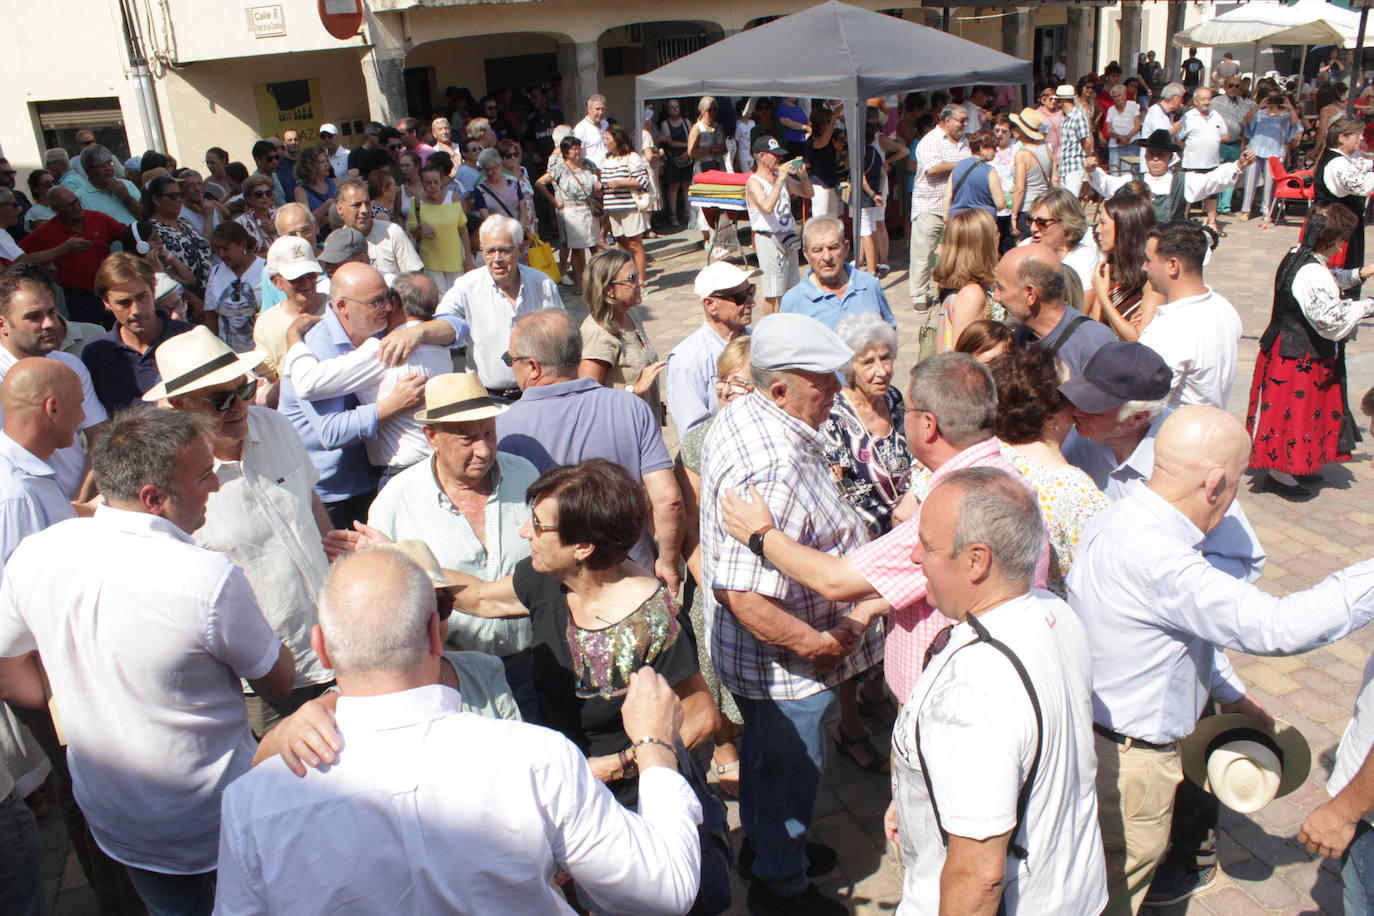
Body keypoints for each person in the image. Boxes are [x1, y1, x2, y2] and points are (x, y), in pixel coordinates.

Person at [213, 549, 703, 916]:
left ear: (320, 648)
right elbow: (665, 889)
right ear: (434, 634)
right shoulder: (536, 757)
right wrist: (655, 747)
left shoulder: (249, 804)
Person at [1066, 404, 1374, 913]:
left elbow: (1179, 630)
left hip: (1098, 734)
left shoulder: (1120, 510)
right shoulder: (1165, 561)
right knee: (1112, 896)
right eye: (1232, 489)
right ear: (1214, 484)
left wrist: (1228, 691)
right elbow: (1279, 628)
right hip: (1132, 762)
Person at [0, 407, 294, 914]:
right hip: (214, 819)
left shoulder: (35, 553)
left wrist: (85, 703)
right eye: (204, 476)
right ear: (153, 498)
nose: (216, 489)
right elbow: (280, 685)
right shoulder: (207, 579)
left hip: (115, 817)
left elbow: (9, 672)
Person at [699, 312, 884, 915]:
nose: (837, 388)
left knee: (767, 766)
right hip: (784, 671)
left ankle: (771, 851)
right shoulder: (772, 463)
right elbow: (743, 593)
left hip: (762, 665)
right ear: (778, 389)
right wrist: (815, 646)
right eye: (822, 382)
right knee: (788, 773)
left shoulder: (752, 411)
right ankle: (781, 884)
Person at [430, 458, 715, 811]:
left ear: (582, 547)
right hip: (566, 784)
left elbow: (702, 718)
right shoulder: (547, 577)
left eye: (538, 525)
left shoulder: (656, 619)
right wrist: (403, 559)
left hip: (633, 803)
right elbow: (483, 598)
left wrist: (619, 765)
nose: (524, 532)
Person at [887, 467, 1106, 916]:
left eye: (928, 546)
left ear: (976, 560)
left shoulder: (973, 689)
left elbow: (980, 877)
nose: (913, 556)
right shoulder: (1053, 611)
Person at [145, 326, 334, 733]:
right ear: (179, 405)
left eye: (244, 390)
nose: (239, 406)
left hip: (335, 645)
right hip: (261, 678)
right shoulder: (170, 482)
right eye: (220, 400)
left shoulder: (276, 426)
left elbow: (310, 502)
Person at [277, 263, 432, 528]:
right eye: (376, 302)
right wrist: (391, 406)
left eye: (388, 298)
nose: (387, 308)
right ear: (341, 307)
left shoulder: (381, 330)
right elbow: (330, 432)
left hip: (369, 476)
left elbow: (456, 327)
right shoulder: (316, 348)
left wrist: (420, 331)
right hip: (330, 491)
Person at [1247, 203, 1374, 499]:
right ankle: (1279, 473)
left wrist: (1362, 273)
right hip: (1297, 355)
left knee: (1298, 412)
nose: (1343, 245)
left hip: (1289, 348)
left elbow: (1328, 281)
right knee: (1292, 413)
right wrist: (1368, 306)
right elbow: (1330, 319)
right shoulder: (1310, 272)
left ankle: (1294, 465)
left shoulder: (1298, 255)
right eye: (1342, 239)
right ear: (1331, 240)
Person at [988, 346, 1110, 597]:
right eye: (1068, 398)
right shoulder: (1076, 491)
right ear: (1049, 417)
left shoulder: (985, 455)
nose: (1076, 407)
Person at [0, 276, 108, 501]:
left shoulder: (70, 366)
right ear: (3, 324)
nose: (49, 323)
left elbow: (99, 435)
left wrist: (80, 501)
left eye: (51, 312)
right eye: (34, 317)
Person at [436, 215, 563, 401]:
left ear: (520, 249)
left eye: (504, 251)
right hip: (487, 397)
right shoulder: (467, 285)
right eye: (489, 251)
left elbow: (560, 336)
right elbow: (444, 320)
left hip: (538, 395)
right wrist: (417, 333)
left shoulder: (542, 284)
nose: (496, 259)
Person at [822, 311, 913, 535]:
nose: (881, 371)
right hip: (865, 533)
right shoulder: (834, 414)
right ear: (849, 366)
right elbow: (838, 489)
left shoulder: (894, 397)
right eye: (868, 363)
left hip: (909, 520)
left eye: (885, 358)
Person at [1138, 221, 1242, 409]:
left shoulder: (1171, 329)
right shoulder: (1224, 307)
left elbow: (1143, 403)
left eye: (1149, 260)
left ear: (1173, 266)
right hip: (1211, 427)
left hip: (1172, 433)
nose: (1144, 267)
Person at [81, 252, 195, 411]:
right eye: (124, 302)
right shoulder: (96, 355)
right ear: (106, 302)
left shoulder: (193, 339)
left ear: (153, 291)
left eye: (142, 297)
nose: (136, 310)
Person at [666, 260, 757, 435]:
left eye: (751, 291)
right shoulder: (688, 360)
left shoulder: (759, 341)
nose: (751, 303)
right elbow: (694, 435)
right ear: (710, 305)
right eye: (740, 297)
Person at [1086, 129, 1253, 224]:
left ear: (1169, 158)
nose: (1156, 159)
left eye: (1161, 154)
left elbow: (1211, 181)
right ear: (1145, 157)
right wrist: (1093, 170)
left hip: (1170, 249)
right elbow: (1107, 185)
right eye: (1151, 154)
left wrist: (1238, 165)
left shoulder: (1183, 180)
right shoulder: (1132, 181)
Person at [998, 244, 1116, 378]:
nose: (996, 297)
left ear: (1030, 293)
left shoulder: (1092, 343)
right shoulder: (1021, 336)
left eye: (1001, 289)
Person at [17, 185, 124, 325]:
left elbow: (127, 234)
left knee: (119, 330)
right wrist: (48, 273)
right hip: (77, 296)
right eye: (69, 206)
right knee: (88, 334)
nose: (77, 207)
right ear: (56, 209)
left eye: (76, 201)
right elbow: (19, 258)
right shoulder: (47, 230)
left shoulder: (98, 218)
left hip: (108, 288)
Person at [780, 216, 894, 331]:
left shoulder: (869, 285)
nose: (827, 257)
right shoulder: (793, 301)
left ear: (845, 248)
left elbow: (889, 329)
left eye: (833, 248)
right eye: (817, 250)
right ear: (806, 254)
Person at [910, 106, 971, 311]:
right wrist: (962, 164)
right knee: (924, 253)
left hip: (956, 206)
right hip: (930, 205)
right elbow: (933, 169)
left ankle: (949, 288)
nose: (964, 124)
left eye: (966, 120)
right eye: (961, 120)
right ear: (946, 120)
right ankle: (919, 293)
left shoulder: (963, 141)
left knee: (953, 252)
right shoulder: (930, 141)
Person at [747, 136, 813, 314]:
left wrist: (803, 176)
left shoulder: (780, 179)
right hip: (769, 238)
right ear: (761, 156)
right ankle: (769, 328)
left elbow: (808, 193)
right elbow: (766, 206)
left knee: (791, 289)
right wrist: (780, 180)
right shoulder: (754, 182)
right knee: (773, 292)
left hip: (787, 237)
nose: (780, 160)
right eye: (775, 156)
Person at [251, 235, 328, 387]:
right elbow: (268, 377)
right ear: (276, 282)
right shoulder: (266, 324)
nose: (306, 283)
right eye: (296, 278)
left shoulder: (338, 307)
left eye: (311, 275)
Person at [1312, 116, 1374, 294]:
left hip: (1333, 222)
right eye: (1357, 134)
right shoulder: (1338, 162)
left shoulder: (1337, 158)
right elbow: (1360, 186)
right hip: (1337, 227)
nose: (1361, 138)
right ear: (1342, 137)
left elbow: (1357, 166)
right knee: (1342, 272)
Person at [536, 136, 600, 287]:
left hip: (588, 209)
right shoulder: (560, 168)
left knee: (594, 246)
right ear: (566, 151)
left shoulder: (588, 164)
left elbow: (599, 174)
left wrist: (598, 188)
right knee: (577, 249)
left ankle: (598, 279)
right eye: (573, 148)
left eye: (579, 147)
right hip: (571, 211)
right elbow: (540, 183)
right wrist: (554, 201)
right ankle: (580, 282)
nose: (577, 151)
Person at [933, 208, 1000, 352]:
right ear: (983, 245)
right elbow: (964, 355)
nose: (999, 236)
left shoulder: (963, 285)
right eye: (995, 233)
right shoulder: (972, 294)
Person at [334, 179, 424, 281]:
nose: (364, 210)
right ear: (340, 209)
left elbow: (416, 279)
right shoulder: (336, 243)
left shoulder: (392, 232)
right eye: (357, 205)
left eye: (367, 203)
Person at [406, 162, 472, 296]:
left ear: (441, 182)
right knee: (439, 300)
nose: (432, 186)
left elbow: (463, 230)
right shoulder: (416, 202)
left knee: (457, 298)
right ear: (423, 184)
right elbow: (413, 233)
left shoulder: (453, 198)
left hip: (455, 260)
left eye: (436, 182)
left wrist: (468, 260)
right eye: (428, 183)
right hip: (431, 261)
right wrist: (422, 227)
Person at [1024, 188, 1099, 299]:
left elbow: (1080, 310)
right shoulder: (1024, 248)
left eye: (1042, 222)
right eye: (1031, 220)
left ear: (1066, 223)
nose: (1033, 228)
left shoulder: (1084, 259)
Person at [600, 124, 652, 284]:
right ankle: (628, 276)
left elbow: (643, 181)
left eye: (607, 139)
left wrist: (620, 183)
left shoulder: (632, 157)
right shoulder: (607, 159)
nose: (605, 142)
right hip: (613, 208)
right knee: (622, 245)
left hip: (630, 208)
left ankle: (641, 281)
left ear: (617, 140)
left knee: (635, 244)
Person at [144, 175, 212, 293]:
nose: (179, 200)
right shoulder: (152, 231)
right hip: (189, 296)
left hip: (212, 288)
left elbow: (203, 246)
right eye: (172, 197)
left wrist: (208, 217)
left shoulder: (183, 222)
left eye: (181, 195)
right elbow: (167, 273)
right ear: (156, 200)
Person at [205, 221, 265, 352]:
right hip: (229, 355)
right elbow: (210, 315)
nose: (221, 254)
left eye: (226, 248)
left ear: (242, 245)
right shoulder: (215, 273)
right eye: (217, 249)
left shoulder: (265, 270)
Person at [1243, 92, 1300, 227]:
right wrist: (1260, 106)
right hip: (1256, 148)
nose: (1274, 101)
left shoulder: (1285, 116)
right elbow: (1247, 120)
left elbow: (1294, 123)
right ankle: (1246, 210)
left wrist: (1289, 106)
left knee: (1270, 183)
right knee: (1250, 180)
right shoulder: (1260, 113)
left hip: (1274, 150)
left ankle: (1266, 211)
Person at [1177, 88, 1230, 232]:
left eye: (1208, 98)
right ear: (1195, 101)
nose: (1207, 102)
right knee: (1189, 193)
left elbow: (1225, 135)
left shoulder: (1216, 115)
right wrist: (1191, 146)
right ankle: (1183, 222)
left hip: (1212, 162)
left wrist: (1213, 139)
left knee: (1211, 194)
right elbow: (1178, 138)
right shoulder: (1188, 117)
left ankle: (1212, 223)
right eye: (1203, 99)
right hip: (1192, 162)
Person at [1210, 77, 1255, 216]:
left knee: (1233, 174)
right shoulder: (1215, 102)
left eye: (1237, 86)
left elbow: (1245, 124)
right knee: (1217, 175)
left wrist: (1243, 143)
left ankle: (1226, 207)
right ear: (1225, 86)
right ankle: (1214, 207)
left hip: (1235, 143)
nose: (1234, 88)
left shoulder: (1244, 104)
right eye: (1231, 85)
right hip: (1219, 143)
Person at [1009, 107, 1056, 237]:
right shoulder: (1047, 150)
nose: (1014, 130)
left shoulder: (1022, 154)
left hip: (1027, 208)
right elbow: (1055, 181)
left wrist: (1013, 216)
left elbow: (1019, 188)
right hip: (1045, 205)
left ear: (1023, 131)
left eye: (1016, 127)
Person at [69, 146, 139, 224]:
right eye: (102, 166)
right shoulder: (80, 197)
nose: (108, 168)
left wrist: (126, 198)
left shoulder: (127, 184)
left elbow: (145, 217)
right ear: (88, 170)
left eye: (110, 163)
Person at [945, 129, 1005, 220]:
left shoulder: (957, 168)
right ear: (982, 148)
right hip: (982, 222)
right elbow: (1000, 204)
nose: (995, 152)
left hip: (957, 221)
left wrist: (946, 221)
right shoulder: (989, 171)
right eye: (994, 148)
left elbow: (947, 196)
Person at [1056, 85, 1092, 196]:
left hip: (1075, 165)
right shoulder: (1065, 117)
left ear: (1062, 100)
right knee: (1065, 201)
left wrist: (1087, 157)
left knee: (1070, 201)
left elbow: (1087, 140)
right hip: (1065, 165)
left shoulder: (1078, 117)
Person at [292, 145, 336, 230]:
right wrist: (328, 204)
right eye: (322, 162)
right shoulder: (301, 191)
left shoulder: (335, 183)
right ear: (310, 166)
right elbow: (306, 220)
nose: (327, 165)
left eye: (327, 161)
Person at [1104, 84, 1143, 175]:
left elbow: (1138, 125)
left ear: (1125, 95)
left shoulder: (1132, 105)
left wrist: (1127, 137)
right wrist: (1120, 137)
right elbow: (1109, 130)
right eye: (1115, 97)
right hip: (1115, 145)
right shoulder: (1111, 110)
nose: (1118, 98)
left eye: (1119, 95)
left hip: (1132, 143)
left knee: (1129, 174)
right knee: (1114, 173)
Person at [573, 94, 609, 168]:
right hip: (592, 174)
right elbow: (576, 156)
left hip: (608, 172)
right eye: (597, 109)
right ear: (589, 109)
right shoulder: (581, 129)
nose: (600, 112)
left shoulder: (605, 124)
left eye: (603, 109)